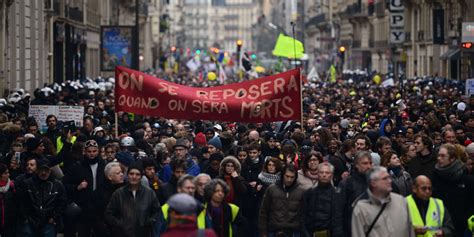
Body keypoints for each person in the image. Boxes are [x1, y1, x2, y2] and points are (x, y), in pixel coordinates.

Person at [351, 167, 415, 236]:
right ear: (373, 183)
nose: (390, 181)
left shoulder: (401, 201)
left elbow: (410, 231)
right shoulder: (361, 209)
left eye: (389, 177)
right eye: (385, 178)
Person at [62, 139, 107, 237]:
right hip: (84, 207)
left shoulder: (103, 165)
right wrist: (77, 187)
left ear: (98, 151)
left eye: (94, 151)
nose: (92, 154)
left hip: (100, 207)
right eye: (89, 152)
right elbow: (64, 184)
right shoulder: (77, 167)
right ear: (84, 152)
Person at [105, 164, 161, 237]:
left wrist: (149, 222)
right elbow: (109, 213)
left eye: (137, 174)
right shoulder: (119, 193)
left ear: (141, 177)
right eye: (131, 174)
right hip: (123, 234)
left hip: (144, 233)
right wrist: (120, 224)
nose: (134, 177)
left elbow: (157, 211)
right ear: (127, 175)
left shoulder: (149, 193)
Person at [432, 143, 474, 237]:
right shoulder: (434, 178)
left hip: (463, 229)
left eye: (443, 156)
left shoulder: (467, 180)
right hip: (442, 229)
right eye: (438, 155)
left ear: (452, 158)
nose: (439, 158)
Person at [17, 159, 67, 237]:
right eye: (41, 170)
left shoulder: (58, 185)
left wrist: (54, 217)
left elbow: (62, 202)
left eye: (46, 170)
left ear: (50, 170)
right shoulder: (27, 184)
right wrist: (25, 218)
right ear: (37, 170)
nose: (43, 173)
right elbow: (21, 202)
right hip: (30, 221)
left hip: (49, 222)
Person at [259, 165, 305, 237]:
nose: (289, 179)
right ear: (282, 175)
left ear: (295, 177)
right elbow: (263, 212)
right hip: (274, 230)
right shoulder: (272, 189)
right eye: (287, 176)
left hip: (294, 231)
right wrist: (263, 233)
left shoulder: (301, 191)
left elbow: (303, 214)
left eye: (292, 177)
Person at [338, 151, 373, 237]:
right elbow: (338, 211)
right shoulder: (346, 184)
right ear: (356, 165)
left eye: (370, 163)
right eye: (365, 163)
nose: (369, 166)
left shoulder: (376, 182)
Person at [303, 162, 343, 237]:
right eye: (321, 172)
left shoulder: (337, 195)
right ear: (318, 174)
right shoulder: (309, 193)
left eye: (327, 172)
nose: (324, 175)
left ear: (332, 175)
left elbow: (338, 219)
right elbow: (303, 216)